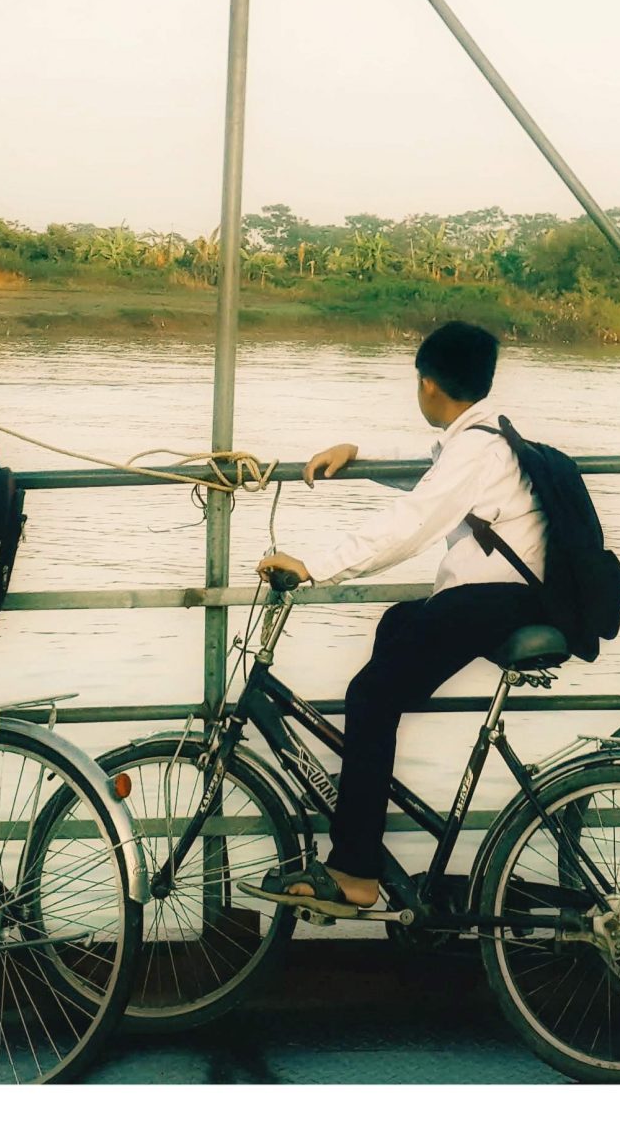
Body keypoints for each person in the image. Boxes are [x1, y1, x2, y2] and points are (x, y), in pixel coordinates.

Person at [253, 320, 549, 913]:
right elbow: (430, 470)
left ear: (427, 384)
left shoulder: (477, 448)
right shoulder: (481, 437)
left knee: (369, 696)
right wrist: (357, 453)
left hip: (494, 600)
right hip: (501, 597)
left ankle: (355, 870)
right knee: (395, 627)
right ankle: (368, 800)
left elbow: (413, 521)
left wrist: (315, 566)